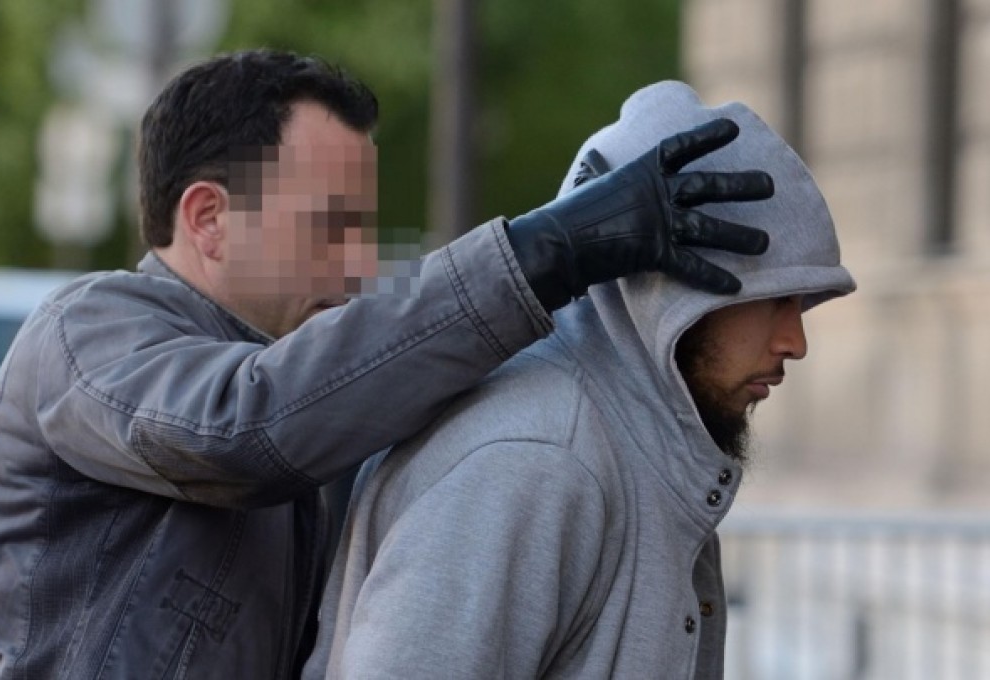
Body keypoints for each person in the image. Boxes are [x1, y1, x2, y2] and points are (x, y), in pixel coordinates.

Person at [0, 50, 774, 678]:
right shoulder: (84, 330)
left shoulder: (317, 397)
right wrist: (548, 251)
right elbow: (242, 428)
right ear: (208, 219)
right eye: (332, 226)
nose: (359, 267)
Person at [305, 80, 857, 679]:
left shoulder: (629, 445)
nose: (794, 343)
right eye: (775, 300)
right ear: (672, 291)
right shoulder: (536, 459)